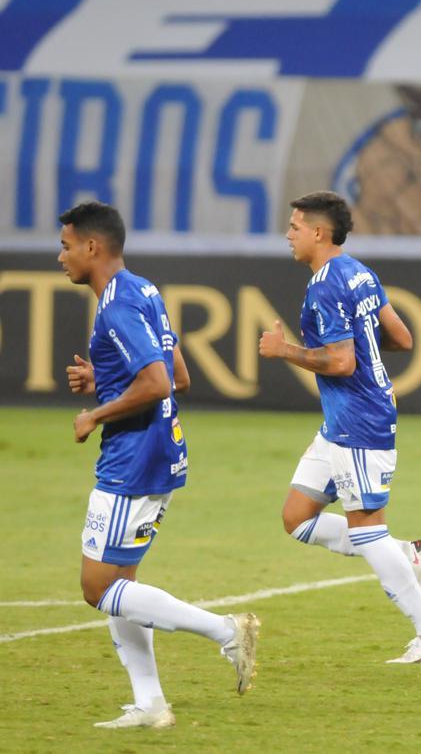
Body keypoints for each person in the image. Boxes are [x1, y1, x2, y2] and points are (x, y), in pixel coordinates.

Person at [60, 201, 259, 730]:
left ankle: (226, 631)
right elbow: (179, 378)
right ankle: (150, 705)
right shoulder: (144, 289)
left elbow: (156, 384)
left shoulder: (119, 304)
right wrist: (103, 384)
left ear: (92, 246)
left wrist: (94, 414)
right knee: (122, 585)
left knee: (98, 588)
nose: (62, 256)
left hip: (133, 459)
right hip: (158, 452)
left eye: (66, 245)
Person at [259, 190, 421, 664]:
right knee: (297, 517)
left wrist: (285, 351)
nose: (288, 235)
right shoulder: (358, 272)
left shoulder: (326, 284)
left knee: (367, 531)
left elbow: (342, 362)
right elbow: (402, 338)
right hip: (341, 423)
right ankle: (407, 553)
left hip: (360, 422)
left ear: (319, 233)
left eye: (295, 227)